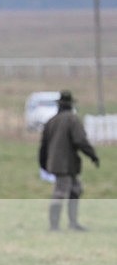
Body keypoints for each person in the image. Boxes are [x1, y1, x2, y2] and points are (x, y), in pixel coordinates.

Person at [38, 90, 100, 231]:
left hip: (58, 163)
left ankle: (72, 223)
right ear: (70, 105)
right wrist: (92, 155)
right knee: (60, 193)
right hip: (65, 165)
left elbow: (43, 146)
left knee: (75, 190)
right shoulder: (72, 119)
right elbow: (81, 141)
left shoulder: (51, 121)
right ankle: (55, 226)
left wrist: (43, 164)